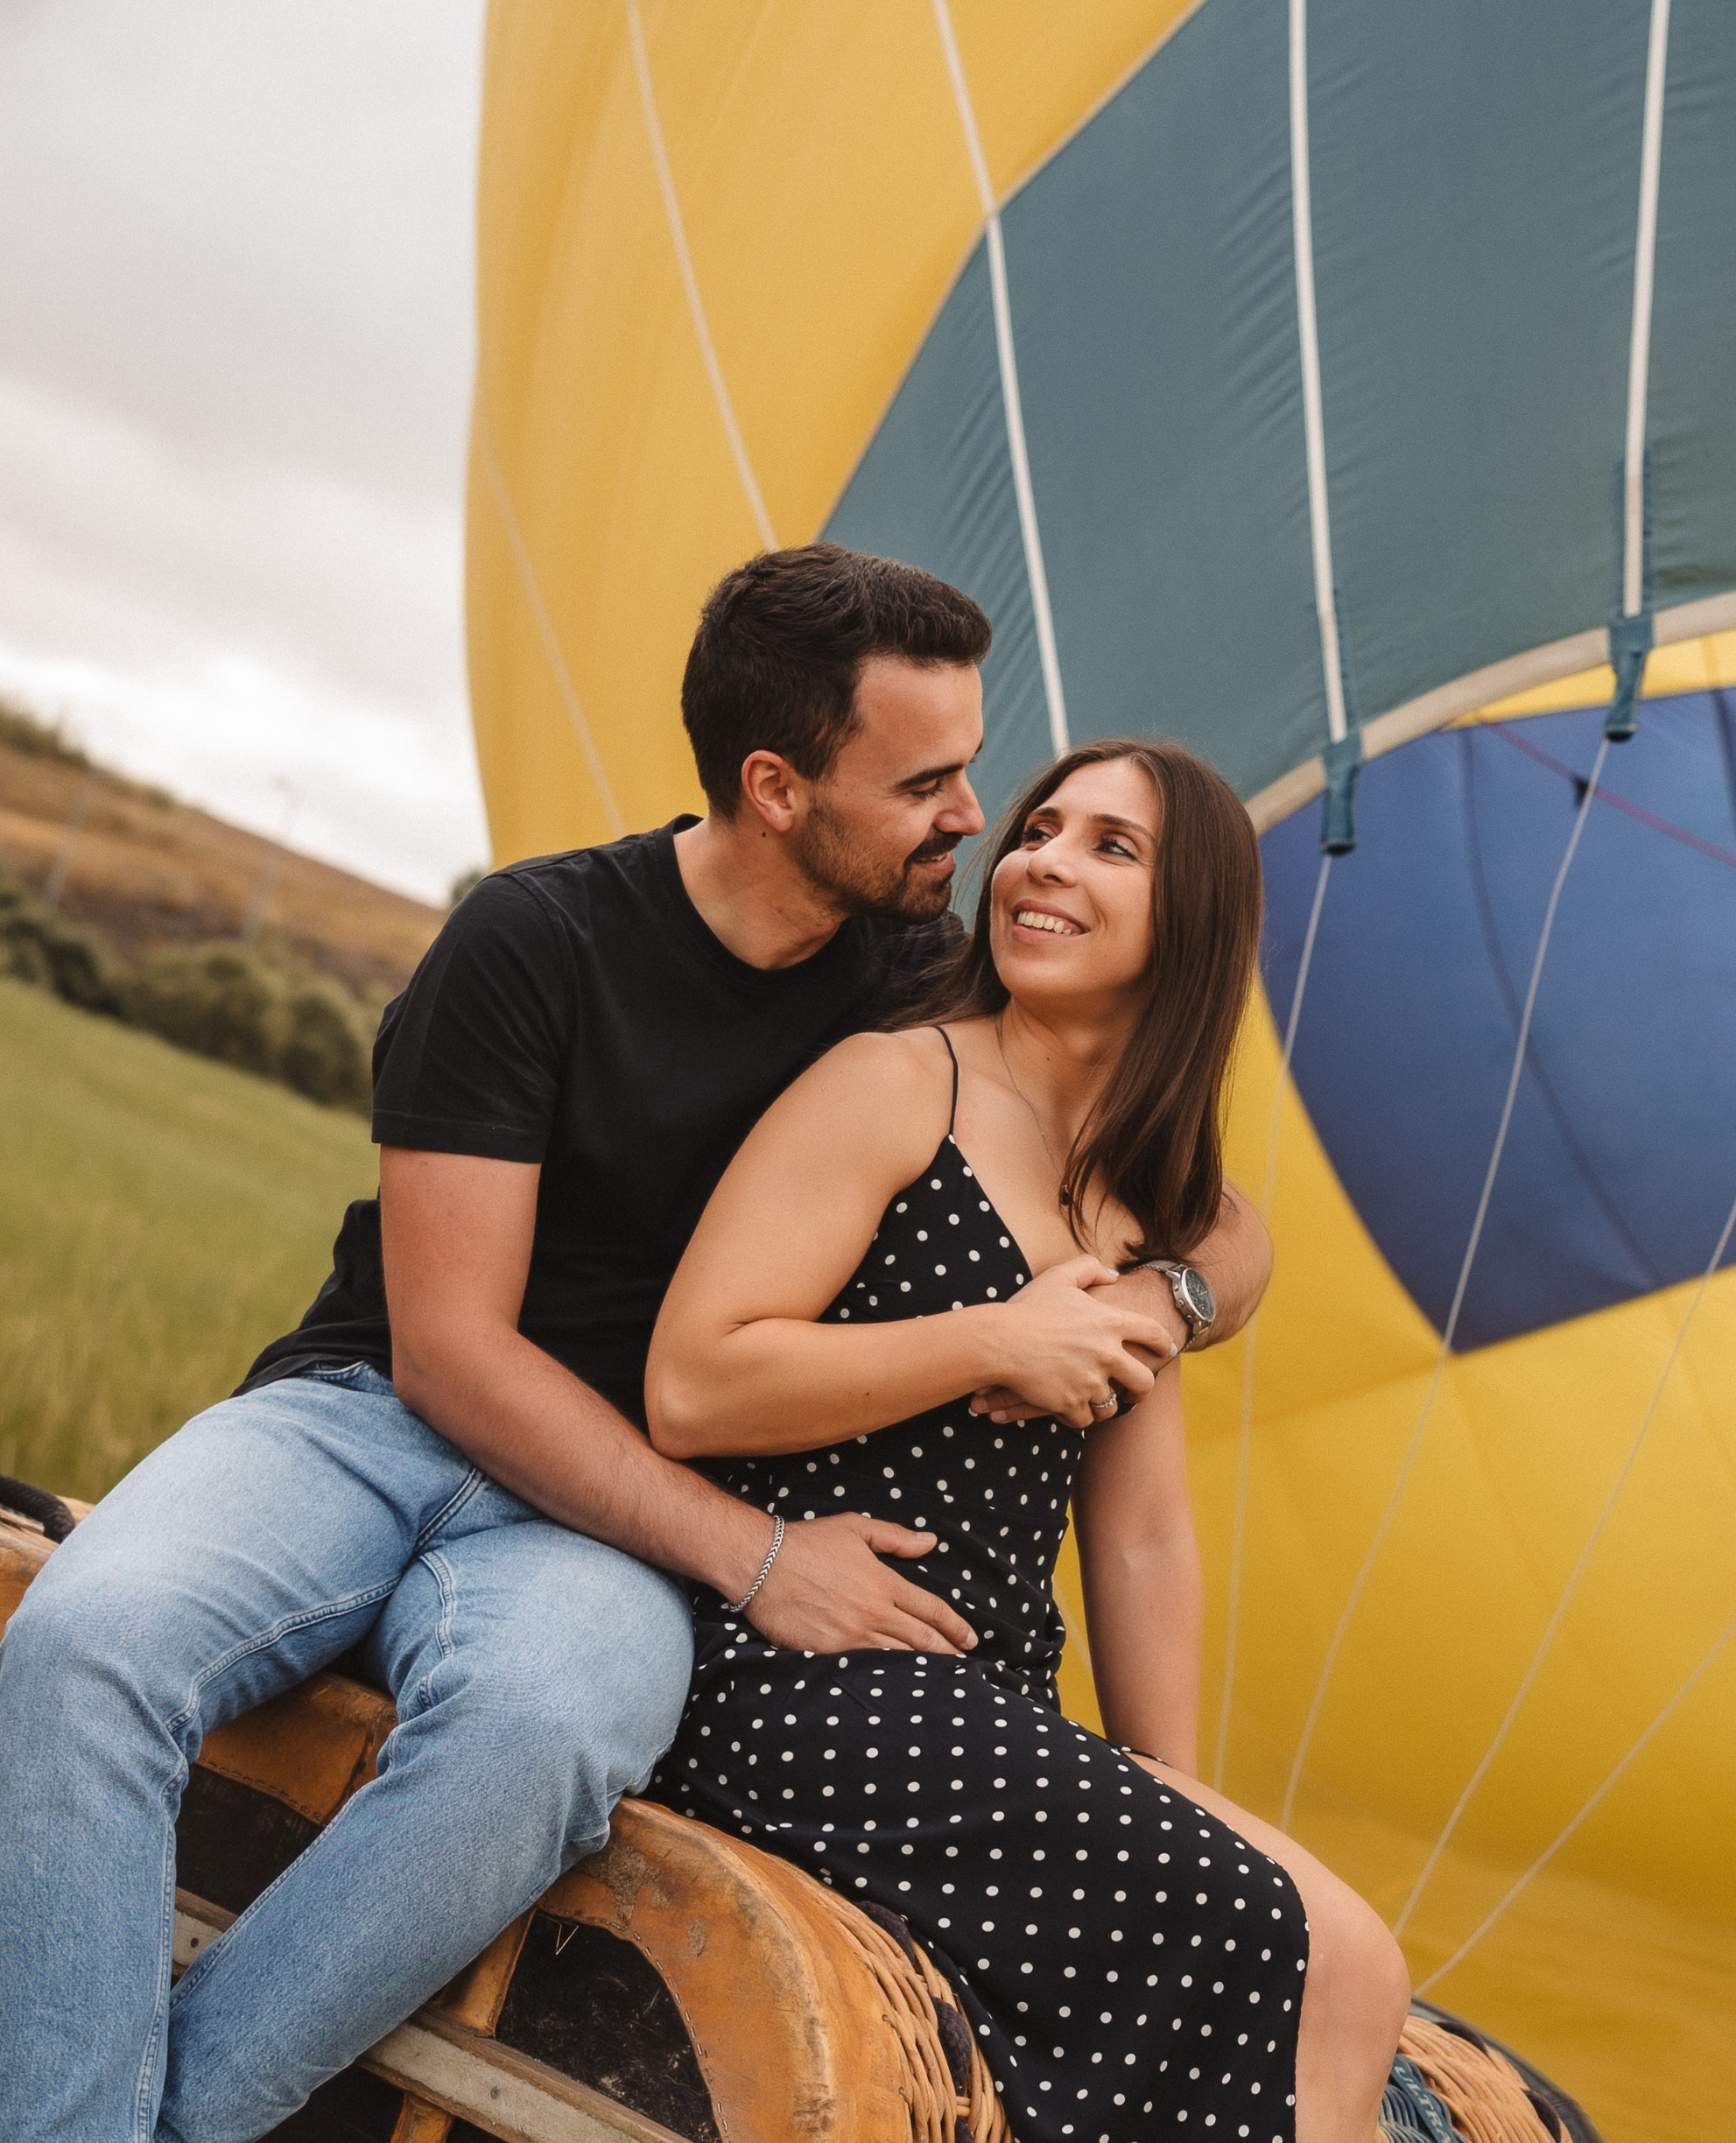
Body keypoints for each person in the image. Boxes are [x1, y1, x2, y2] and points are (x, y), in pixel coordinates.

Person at [0, 546, 1260, 2143]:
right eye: (928, 779)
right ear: (779, 790)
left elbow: (1208, 1207)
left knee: (547, 1735)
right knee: (85, 1644)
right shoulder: (532, 941)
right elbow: (450, 1356)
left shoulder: (922, 978)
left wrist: (1170, 1303)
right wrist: (754, 1555)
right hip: (372, 1420)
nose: (973, 816)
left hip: (607, 1524)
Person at [645, 736, 1411, 2143]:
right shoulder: (899, 1084)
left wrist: (1167, 1782)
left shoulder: (1142, 1205)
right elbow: (695, 1381)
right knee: (1308, 1950)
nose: (1046, 860)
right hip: (803, 1666)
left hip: (987, 1694)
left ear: (1192, 928)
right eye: (1044, 829)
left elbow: (1138, 1532)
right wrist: (992, 1338)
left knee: (1347, 1963)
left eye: (1112, 847)